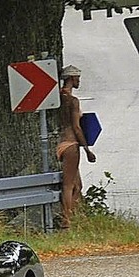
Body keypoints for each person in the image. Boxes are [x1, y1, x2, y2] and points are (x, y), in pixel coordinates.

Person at [57, 64, 97, 228]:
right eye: (78, 78)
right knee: (69, 185)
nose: (79, 81)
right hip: (71, 144)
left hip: (60, 142)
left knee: (77, 185)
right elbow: (77, 127)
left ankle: (71, 215)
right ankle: (66, 220)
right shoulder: (73, 101)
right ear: (72, 79)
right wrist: (87, 148)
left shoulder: (57, 98)